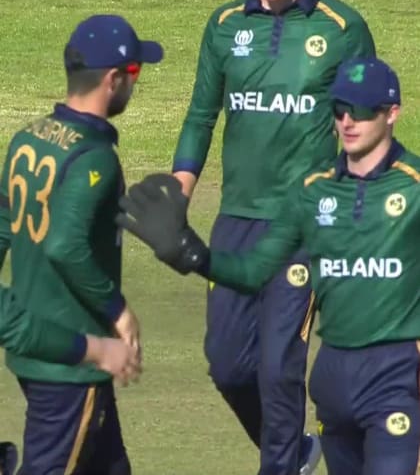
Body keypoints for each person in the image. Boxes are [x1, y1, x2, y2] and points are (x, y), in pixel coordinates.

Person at [118, 56, 420, 475]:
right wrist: (192, 255)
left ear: (392, 114)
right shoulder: (313, 193)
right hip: (333, 380)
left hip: (395, 378)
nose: (348, 121)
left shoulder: (414, 186)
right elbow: (255, 271)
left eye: (363, 111)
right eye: (339, 109)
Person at [171, 0, 375, 472]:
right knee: (227, 366)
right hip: (237, 219)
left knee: (279, 366)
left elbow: (366, 124)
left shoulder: (342, 29)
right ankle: (297, 452)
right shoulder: (224, 25)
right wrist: (180, 188)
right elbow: (200, 115)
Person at [0, 13, 163, 475]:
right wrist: (118, 310)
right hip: (70, 361)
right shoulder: (95, 159)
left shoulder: (26, 137)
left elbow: (3, 220)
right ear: (114, 79)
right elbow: (64, 246)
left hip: (40, 344)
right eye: (134, 74)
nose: (135, 84)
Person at [0, 284, 140, 475]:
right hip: (63, 363)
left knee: (109, 466)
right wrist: (100, 343)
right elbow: (64, 252)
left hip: (51, 351)